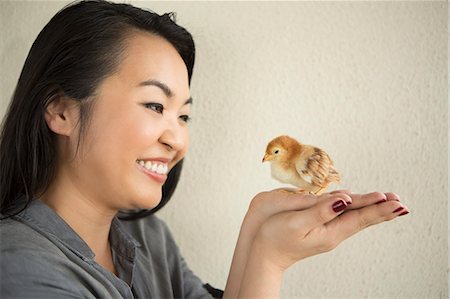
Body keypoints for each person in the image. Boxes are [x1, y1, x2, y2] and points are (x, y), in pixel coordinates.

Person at [0, 1, 409, 298]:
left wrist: (262, 243)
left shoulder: (149, 239)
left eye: (184, 116)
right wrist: (266, 263)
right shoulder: (18, 267)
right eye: (155, 105)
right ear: (61, 110)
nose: (176, 139)